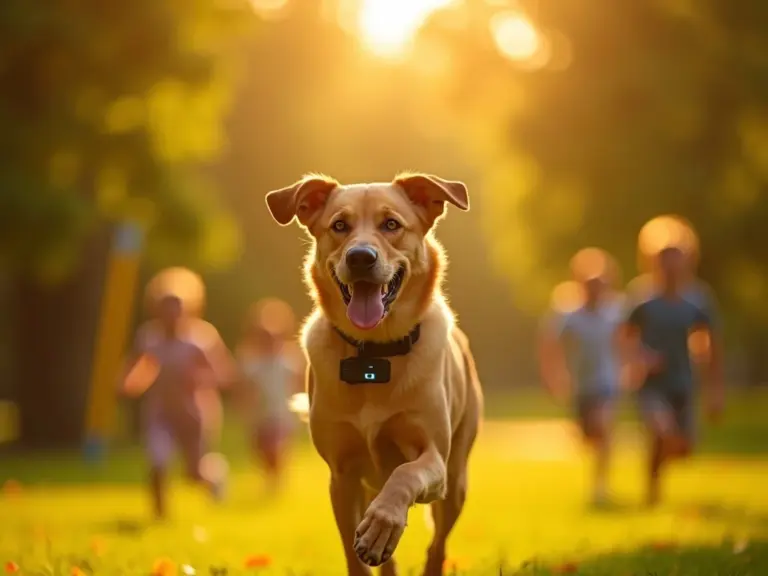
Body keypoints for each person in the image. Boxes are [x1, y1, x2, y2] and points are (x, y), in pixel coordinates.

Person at [120, 268, 235, 519]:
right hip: (160, 412)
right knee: (157, 464)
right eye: (165, 308)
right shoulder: (149, 338)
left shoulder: (199, 339)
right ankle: (159, 516)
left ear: (187, 309)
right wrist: (128, 384)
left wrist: (198, 379)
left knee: (193, 474)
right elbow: (138, 368)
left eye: (176, 307)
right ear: (156, 309)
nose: (171, 314)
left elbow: (223, 375)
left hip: (193, 413)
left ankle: (215, 477)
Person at [623, 245, 724, 506]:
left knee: (683, 447)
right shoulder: (642, 298)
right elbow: (624, 338)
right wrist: (641, 357)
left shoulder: (698, 299)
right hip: (651, 384)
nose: (670, 267)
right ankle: (652, 492)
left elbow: (711, 343)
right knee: (662, 430)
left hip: (683, 381)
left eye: (676, 261)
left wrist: (715, 390)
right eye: (664, 261)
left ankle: (653, 480)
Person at [538, 254, 625, 507]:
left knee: (604, 427)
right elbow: (549, 343)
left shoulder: (616, 312)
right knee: (589, 436)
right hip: (581, 385)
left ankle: (600, 486)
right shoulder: (570, 315)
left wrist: (633, 364)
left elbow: (629, 338)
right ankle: (596, 464)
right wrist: (554, 376)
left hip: (608, 382)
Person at [236, 298, 305, 492]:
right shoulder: (250, 360)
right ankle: (270, 476)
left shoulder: (290, 358)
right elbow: (243, 386)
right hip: (260, 413)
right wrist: (243, 405)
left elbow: (301, 381)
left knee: (275, 448)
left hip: (282, 411)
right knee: (262, 450)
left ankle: (276, 481)